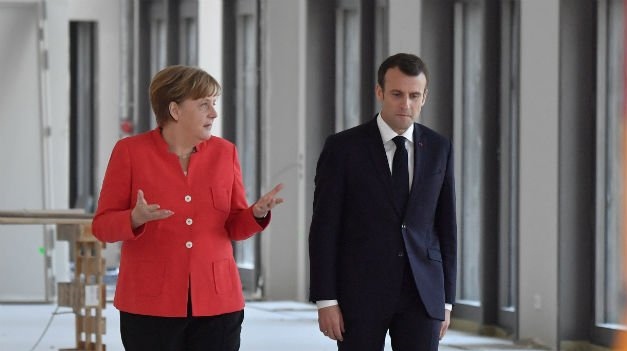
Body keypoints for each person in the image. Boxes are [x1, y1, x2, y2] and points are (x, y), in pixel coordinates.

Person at [92, 65, 283, 351]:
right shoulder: (130, 152)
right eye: (204, 104)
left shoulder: (225, 153)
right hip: (150, 303)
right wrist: (134, 218)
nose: (213, 113)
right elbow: (102, 226)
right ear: (175, 110)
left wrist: (256, 213)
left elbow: (233, 226)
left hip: (218, 301)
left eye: (214, 104)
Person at [308, 53, 457, 351]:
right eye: (397, 94)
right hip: (359, 292)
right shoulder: (343, 148)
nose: (406, 104)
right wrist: (326, 299)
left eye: (415, 95)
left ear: (424, 97)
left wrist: (446, 300)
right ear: (379, 92)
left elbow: (446, 225)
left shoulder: (439, 147)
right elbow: (325, 227)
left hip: (422, 293)